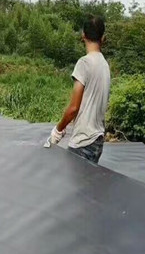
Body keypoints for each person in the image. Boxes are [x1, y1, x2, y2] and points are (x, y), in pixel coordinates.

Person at [45, 16, 110, 164]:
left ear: (83, 35)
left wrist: (57, 130)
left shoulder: (84, 63)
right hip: (98, 141)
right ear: (103, 38)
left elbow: (74, 107)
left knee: (73, 185)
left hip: (83, 141)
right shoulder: (105, 65)